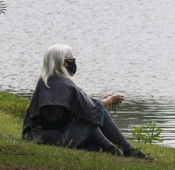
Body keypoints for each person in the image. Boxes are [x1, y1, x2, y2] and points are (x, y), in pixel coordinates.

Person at [22, 44, 153, 160]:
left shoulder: (46, 81)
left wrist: (101, 102)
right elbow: (89, 109)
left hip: (37, 136)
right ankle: (127, 150)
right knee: (98, 113)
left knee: (93, 112)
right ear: (63, 63)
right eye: (71, 60)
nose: (74, 63)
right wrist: (108, 101)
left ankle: (110, 149)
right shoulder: (63, 85)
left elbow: (80, 107)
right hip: (54, 139)